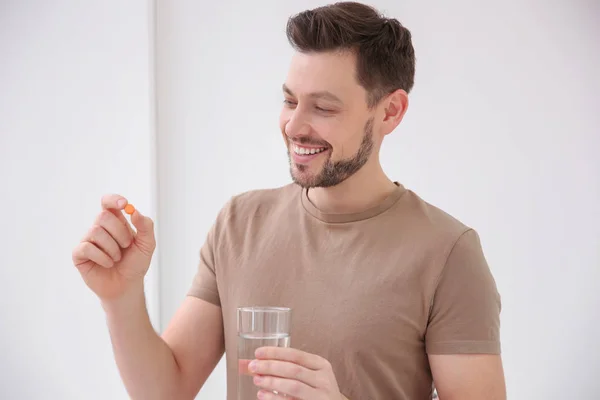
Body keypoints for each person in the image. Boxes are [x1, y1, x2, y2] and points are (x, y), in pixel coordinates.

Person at [71, 2, 506, 399]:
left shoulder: (448, 253)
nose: (294, 126)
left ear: (390, 112)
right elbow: (165, 390)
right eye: (289, 100)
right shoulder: (239, 223)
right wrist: (122, 297)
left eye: (324, 108)